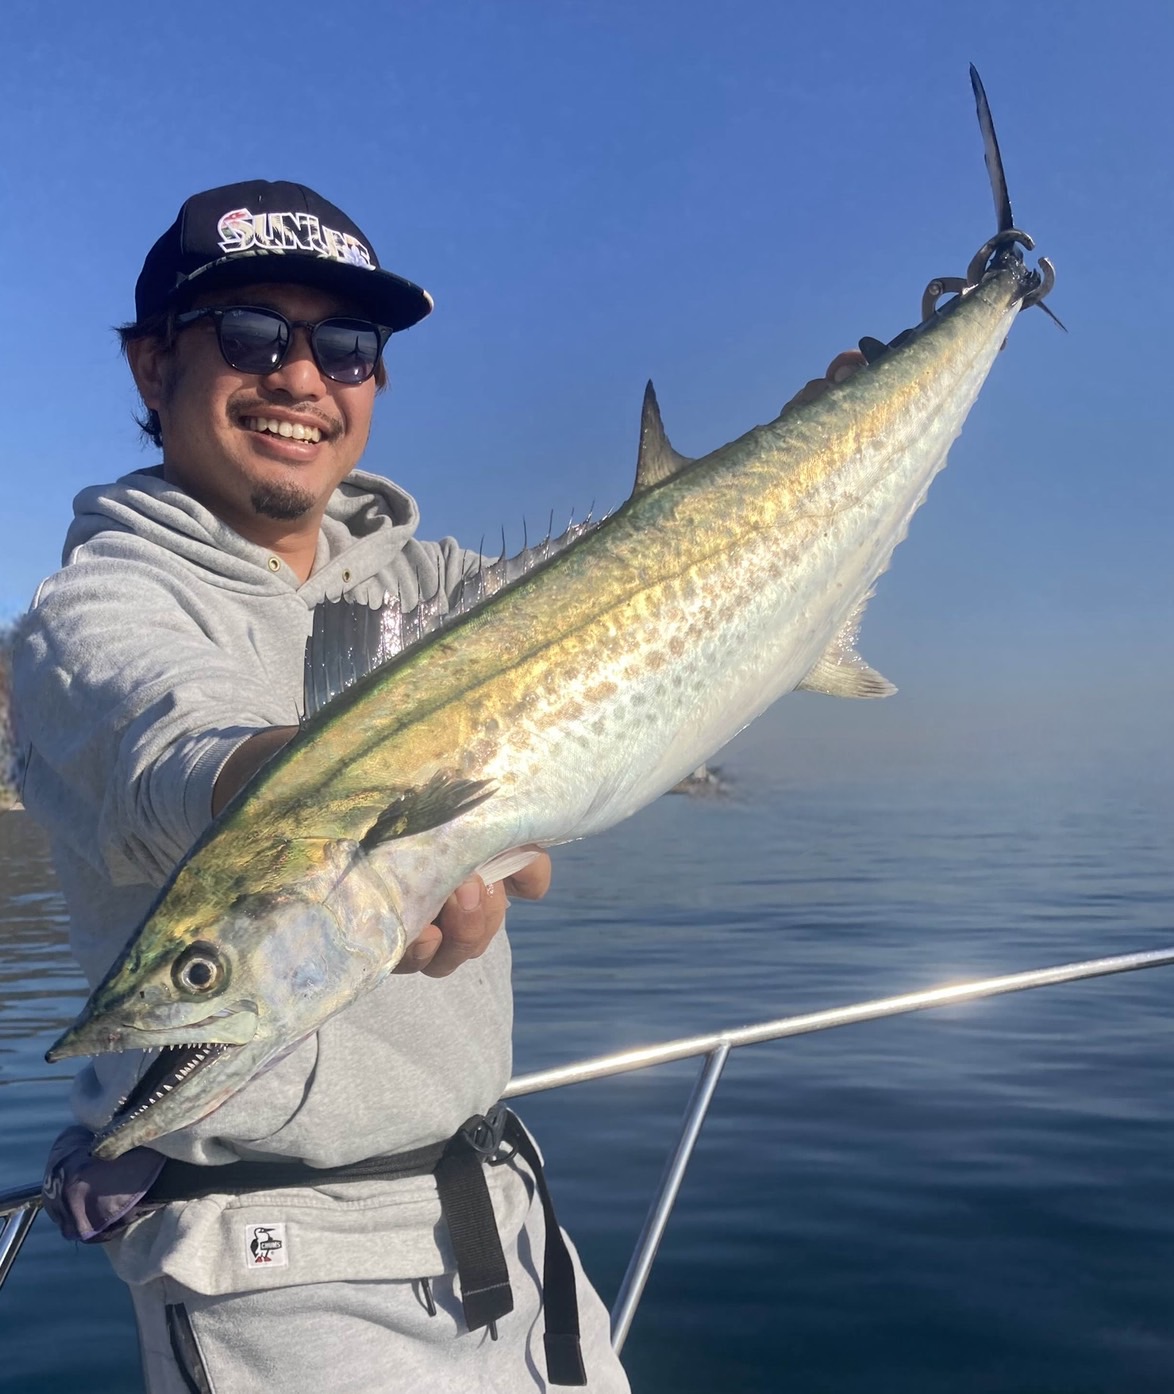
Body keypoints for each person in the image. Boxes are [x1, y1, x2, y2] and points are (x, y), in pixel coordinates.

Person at [14, 179, 861, 1393]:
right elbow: (176, 747)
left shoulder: (438, 588)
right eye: (252, 332)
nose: (303, 376)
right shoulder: (96, 612)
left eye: (346, 346)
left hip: (508, 1229)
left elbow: (633, 596)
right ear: (151, 367)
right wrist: (357, 827)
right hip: (285, 1290)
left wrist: (819, 454)